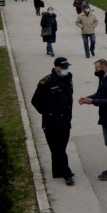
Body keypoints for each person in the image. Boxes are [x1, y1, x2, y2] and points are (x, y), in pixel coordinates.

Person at [31, 57, 75, 186]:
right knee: (58, 148)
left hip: (66, 120)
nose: (66, 70)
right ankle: (67, 173)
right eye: (63, 68)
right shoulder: (46, 82)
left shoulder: (68, 78)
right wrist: (48, 112)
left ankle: (57, 171)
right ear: (56, 68)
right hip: (51, 122)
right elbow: (35, 101)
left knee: (60, 147)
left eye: (67, 67)